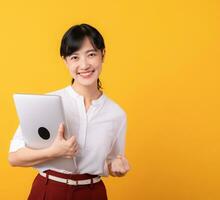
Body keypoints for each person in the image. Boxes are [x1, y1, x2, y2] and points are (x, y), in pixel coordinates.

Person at [8, 23, 130, 200]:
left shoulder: (116, 114)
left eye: (91, 54)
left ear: (102, 55)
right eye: (74, 57)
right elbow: (14, 157)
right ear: (65, 61)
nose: (84, 65)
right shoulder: (44, 104)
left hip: (92, 193)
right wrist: (53, 152)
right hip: (49, 190)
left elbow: (111, 162)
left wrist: (117, 167)